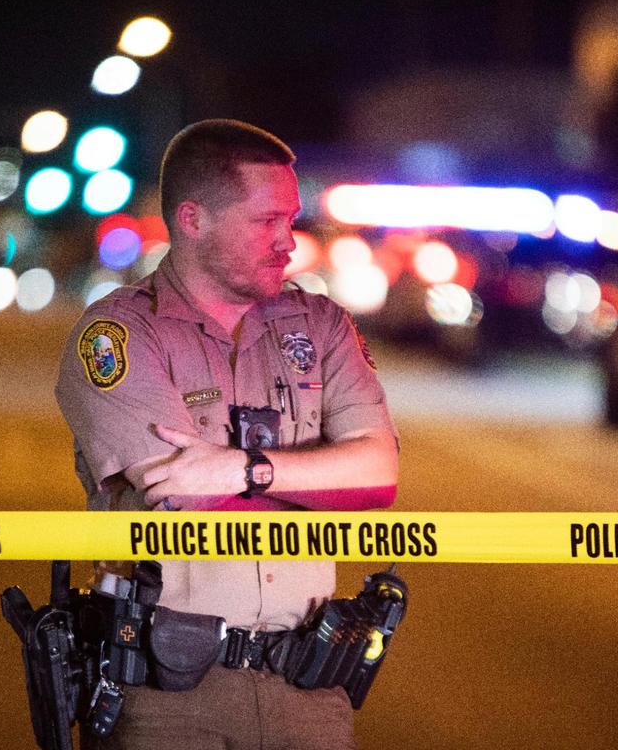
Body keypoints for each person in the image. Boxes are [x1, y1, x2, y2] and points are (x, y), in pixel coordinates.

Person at [55, 119, 399, 750]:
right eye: (265, 221)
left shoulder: (319, 325)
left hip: (310, 685)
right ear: (193, 220)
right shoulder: (120, 336)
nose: (287, 243)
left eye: (290, 220)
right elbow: (182, 492)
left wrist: (243, 470)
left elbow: (377, 474)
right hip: (172, 699)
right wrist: (322, 474)